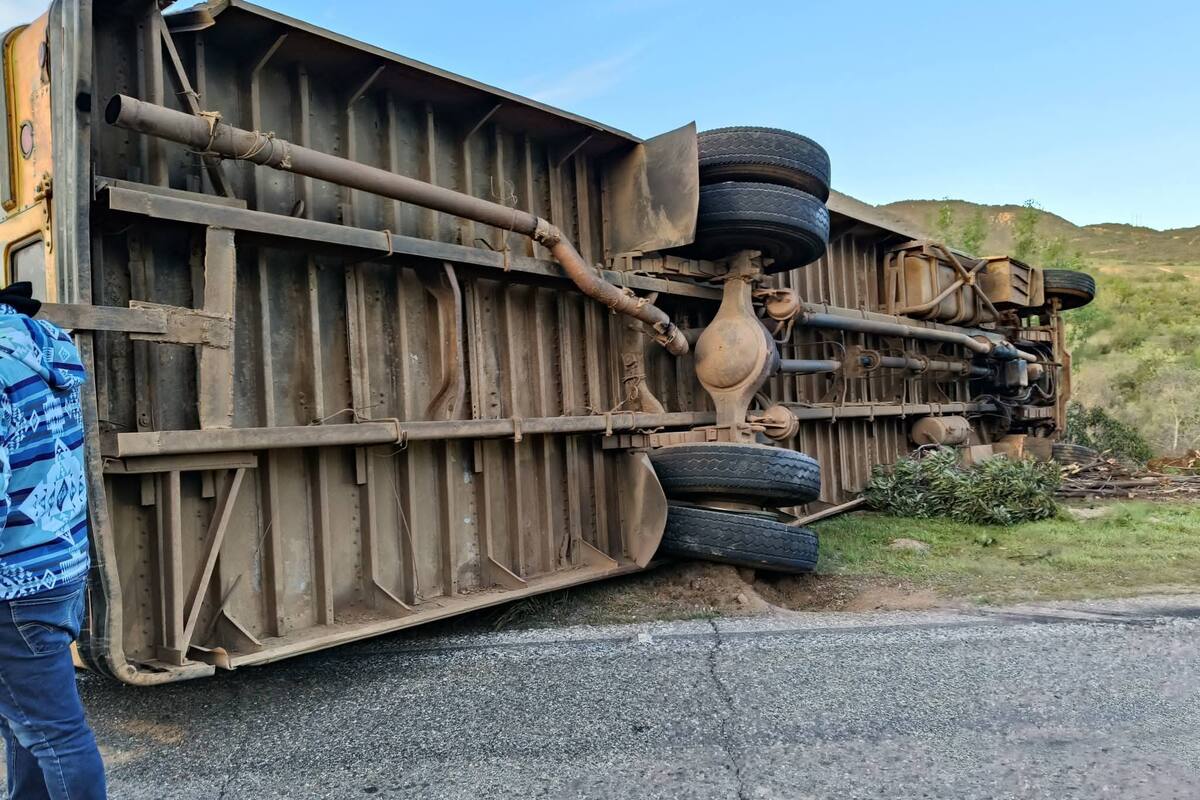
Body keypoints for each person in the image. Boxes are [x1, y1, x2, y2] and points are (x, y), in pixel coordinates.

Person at [0, 282, 105, 798]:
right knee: (28, 721)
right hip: (57, 566)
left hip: (11, 583)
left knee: (54, 734)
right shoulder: (42, 343)